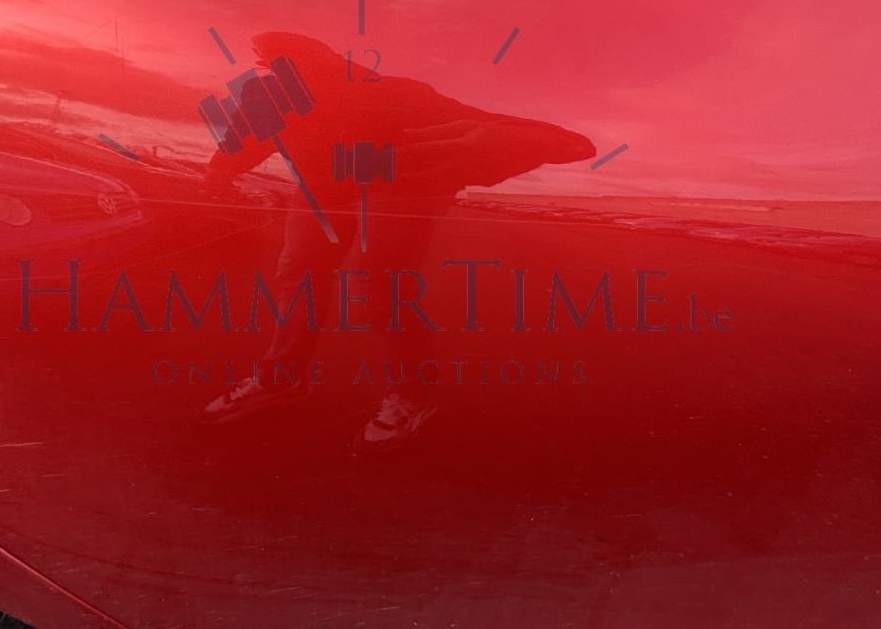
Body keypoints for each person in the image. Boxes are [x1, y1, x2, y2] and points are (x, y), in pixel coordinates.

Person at [201, 32, 594, 451]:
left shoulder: (393, 94)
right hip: (323, 189)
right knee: (298, 273)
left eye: (290, 69)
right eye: (270, 67)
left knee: (376, 285)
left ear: (325, 69)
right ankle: (281, 379)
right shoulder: (269, 97)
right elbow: (245, 142)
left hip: (401, 184)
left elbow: (480, 120)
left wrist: (560, 141)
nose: (276, 77)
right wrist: (216, 175)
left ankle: (414, 393)